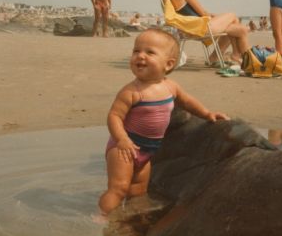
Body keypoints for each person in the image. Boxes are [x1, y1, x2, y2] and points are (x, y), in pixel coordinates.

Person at [98, 29, 229, 215]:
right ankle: (102, 218)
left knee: (138, 190)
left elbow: (187, 101)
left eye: (149, 52)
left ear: (168, 64)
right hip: (124, 148)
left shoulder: (170, 86)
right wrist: (122, 139)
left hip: (147, 150)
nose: (140, 56)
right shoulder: (132, 91)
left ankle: (132, 218)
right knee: (118, 188)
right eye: (136, 51)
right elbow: (114, 117)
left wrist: (207, 113)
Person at [168, 0, 249, 63]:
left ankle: (216, 57)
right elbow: (202, 13)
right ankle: (236, 55)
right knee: (232, 15)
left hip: (193, 28)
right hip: (202, 28)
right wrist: (213, 16)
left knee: (240, 29)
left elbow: (191, 12)